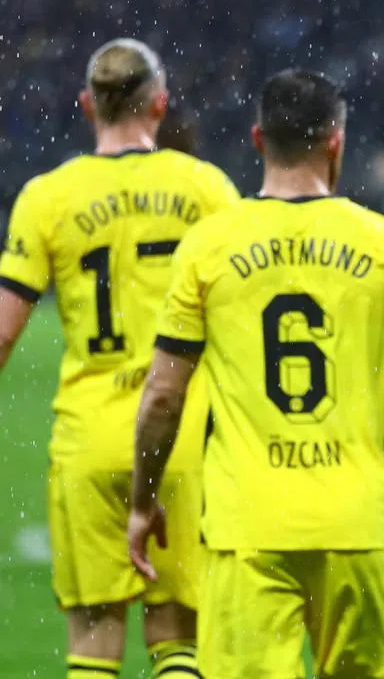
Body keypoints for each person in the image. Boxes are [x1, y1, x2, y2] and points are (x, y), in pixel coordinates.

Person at [127, 69, 384, 678]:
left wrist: (144, 499)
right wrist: (375, 431)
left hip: (249, 526)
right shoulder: (383, 242)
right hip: (357, 521)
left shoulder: (211, 245)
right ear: (336, 142)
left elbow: (164, 395)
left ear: (259, 139)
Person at [0, 39, 238, 679]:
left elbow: (2, 333)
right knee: (177, 635)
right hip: (182, 435)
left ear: (86, 106)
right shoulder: (206, 187)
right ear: (159, 103)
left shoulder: (47, 196)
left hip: (90, 440)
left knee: (94, 636)